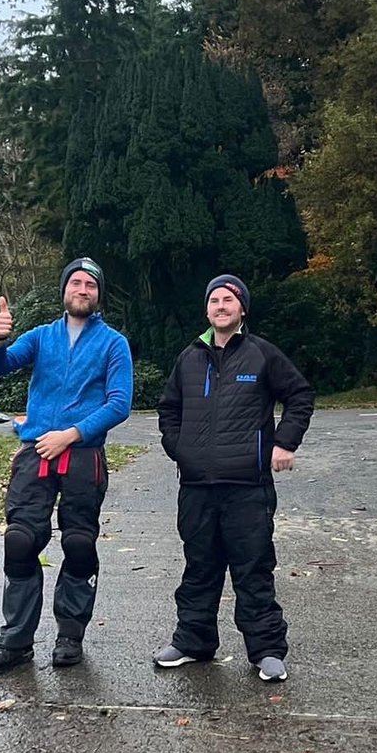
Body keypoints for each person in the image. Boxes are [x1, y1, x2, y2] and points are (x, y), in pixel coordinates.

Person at [153, 275, 314, 683]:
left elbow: (299, 395)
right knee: (199, 568)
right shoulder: (189, 357)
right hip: (196, 487)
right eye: (214, 300)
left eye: (228, 299)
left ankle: (267, 651)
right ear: (207, 309)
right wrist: (181, 448)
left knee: (253, 568)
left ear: (242, 308)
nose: (220, 305)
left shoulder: (262, 354)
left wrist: (283, 442)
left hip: (247, 486)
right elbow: (168, 409)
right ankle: (193, 642)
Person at [0, 257, 133, 675]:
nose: (83, 290)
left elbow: (120, 403)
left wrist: (72, 434)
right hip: (36, 452)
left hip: (83, 454)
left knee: (79, 543)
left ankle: (70, 635)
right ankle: (15, 641)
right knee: (21, 540)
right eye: (76, 283)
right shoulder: (42, 337)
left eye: (91, 285)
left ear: (98, 295)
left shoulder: (114, 343)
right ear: (64, 290)